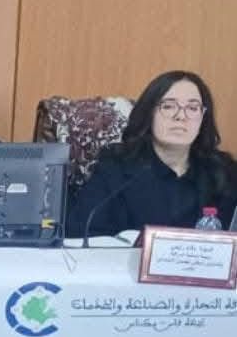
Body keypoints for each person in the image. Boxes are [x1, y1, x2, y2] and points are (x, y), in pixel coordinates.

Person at [67, 70, 237, 238]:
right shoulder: (115, 166)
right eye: (168, 106)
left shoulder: (224, 171)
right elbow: (80, 232)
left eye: (192, 108)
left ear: (203, 117)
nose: (180, 116)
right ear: (149, 113)